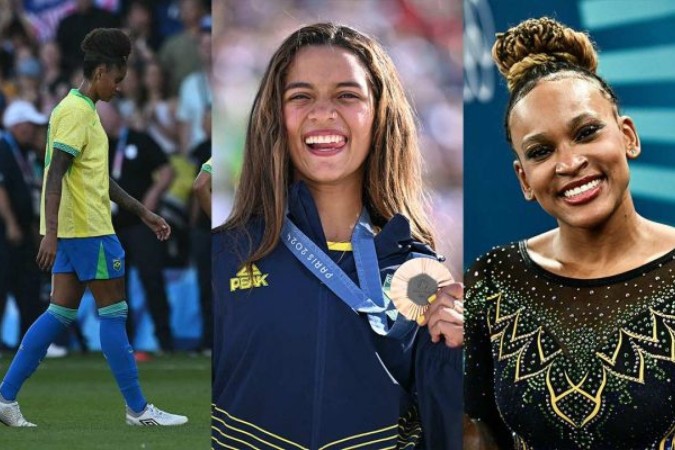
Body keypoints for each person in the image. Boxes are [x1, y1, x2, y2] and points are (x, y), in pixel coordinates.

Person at [213, 23, 463, 449]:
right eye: (301, 96)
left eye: (347, 95)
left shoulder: (420, 275)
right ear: (276, 115)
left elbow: (445, 435)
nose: (324, 112)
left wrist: (457, 359)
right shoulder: (222, 256)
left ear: (380, 113)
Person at [464, 17, 675, 450]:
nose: (568, 163)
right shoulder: (493, 281)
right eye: (542, 151)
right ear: (524, 179)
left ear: (628, 136)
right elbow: (476, 429)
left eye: (586, 133)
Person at [0, 28, 187, 428]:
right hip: (88, 230)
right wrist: (49, 233)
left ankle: (4, 398)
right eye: (117, 79)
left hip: (75, 231)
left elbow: (97, 178)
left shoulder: (79, 110)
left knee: (58, 314)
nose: (119, 88)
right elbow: (55, 177)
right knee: (114, 315)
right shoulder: (76, 113)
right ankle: (137, 410)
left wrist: (143, 212)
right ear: (101, 71)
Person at [0, 100, 46, 344]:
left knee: (27, 286)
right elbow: (1, 188)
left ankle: (28, 341)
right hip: (6, 231)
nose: (34, 130)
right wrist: (11, 223)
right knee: (3, 283)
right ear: (17, 125)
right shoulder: (3, 147)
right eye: (30, 124)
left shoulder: (23, 152)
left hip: (22, 231)